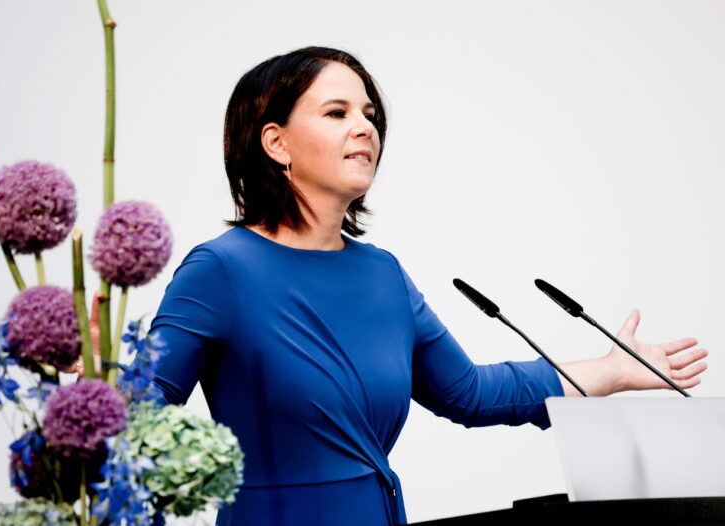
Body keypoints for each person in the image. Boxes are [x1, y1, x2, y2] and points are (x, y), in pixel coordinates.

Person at [146, 46, 708, 526]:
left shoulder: (382, 274)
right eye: (336, 112)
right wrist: (81, 371)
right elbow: (137, 412)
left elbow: (470, 394)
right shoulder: (221, 270)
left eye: (369, 113)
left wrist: (609, 371)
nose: (364, 126)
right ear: (276, 143)